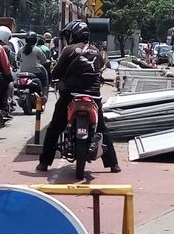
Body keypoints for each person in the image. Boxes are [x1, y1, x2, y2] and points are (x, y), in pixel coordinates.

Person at [37, 19, 119, 173]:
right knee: (102, 129)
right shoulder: (97, 52)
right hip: (94, 97)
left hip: (70, 95)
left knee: (55, 128)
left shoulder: (68, 50)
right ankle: (113, 164)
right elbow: (100, 70)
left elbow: (57, 73)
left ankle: (44, 163)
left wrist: (56, 77)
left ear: (74, 34)